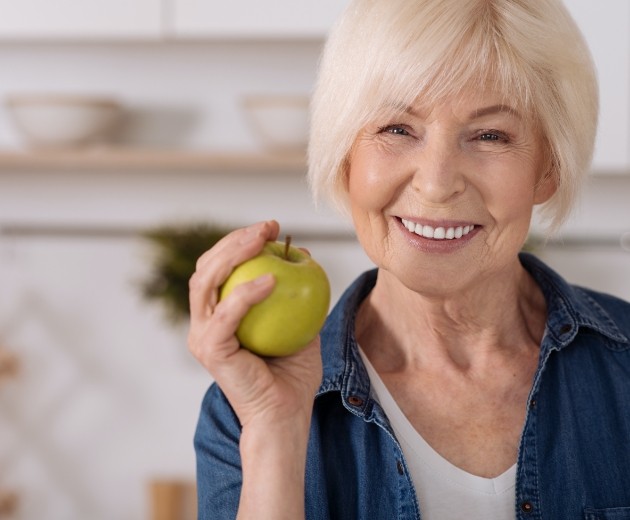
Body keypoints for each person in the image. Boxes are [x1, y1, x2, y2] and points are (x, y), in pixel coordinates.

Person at [188, 0, 630, 518]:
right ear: (346, 154)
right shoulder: (245, 412)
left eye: (490, 135)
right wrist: (277, 432)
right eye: (398, 129)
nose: (437, 183)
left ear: (547, 169)